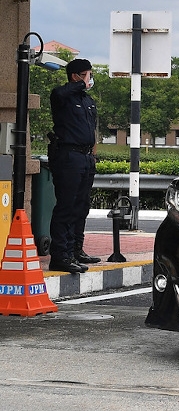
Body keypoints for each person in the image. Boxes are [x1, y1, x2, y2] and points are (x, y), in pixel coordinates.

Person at [48, 58, 100, 273]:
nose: (90, 78)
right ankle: (61, 255)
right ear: (76, 76)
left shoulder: (86, 100)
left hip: (86, 157)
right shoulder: (62, 96)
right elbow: (59, 94)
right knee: (66, 207)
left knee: (82, 206)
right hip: (68, 156)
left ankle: (76, 249)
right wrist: (80, 84)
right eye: (86, 74)